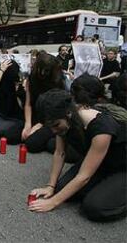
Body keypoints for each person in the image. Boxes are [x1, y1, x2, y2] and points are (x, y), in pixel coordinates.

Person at [29, 89, 126, 222]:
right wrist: (50, 186)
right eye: (50, 127)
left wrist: (53, 202)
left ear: (68, 113)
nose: (54, 130)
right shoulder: (64, 121)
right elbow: (60, 152)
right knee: (61, 189)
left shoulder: (101, 128)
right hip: (99, 163)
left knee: (93, 207)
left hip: (121, 167)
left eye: (56, 125)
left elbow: (83, 177)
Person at [22, 52, 65, 153]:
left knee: (31, 144)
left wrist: (40, 124)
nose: (42, 73)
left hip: (52, 118)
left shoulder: (57, 81)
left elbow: (57, 109)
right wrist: (27, 124)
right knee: (19, 136)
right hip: (36, 115)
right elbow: (28, 104)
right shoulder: (31, 78)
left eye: (46, 70)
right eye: (40, 69)